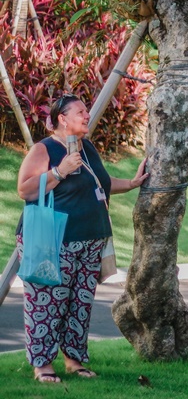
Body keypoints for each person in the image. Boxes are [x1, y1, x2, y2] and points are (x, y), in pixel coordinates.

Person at [17, 92, 148, 383]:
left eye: (86, 111)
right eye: (80, 112)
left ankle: (74, 360)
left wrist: (132, 183)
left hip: (90, 240)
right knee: (47, 302)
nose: (86, 116)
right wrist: (59, 171)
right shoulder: (44, 149)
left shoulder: (87, 147)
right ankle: (42, 365)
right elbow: (25, 190)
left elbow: (102, 182)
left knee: (80, 303)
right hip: (54, 240)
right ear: (62, 119)